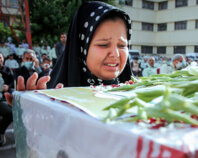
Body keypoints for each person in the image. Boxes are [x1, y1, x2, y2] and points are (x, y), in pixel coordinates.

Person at [5, 0, 133, 106]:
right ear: (81, 47)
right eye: (103, 44)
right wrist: (32, 113)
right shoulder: (52, 99)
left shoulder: (137, 96)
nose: (115, 54)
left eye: (122, 45)